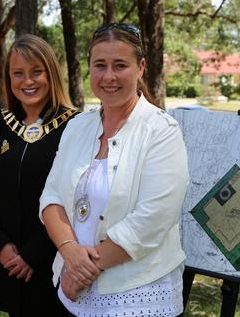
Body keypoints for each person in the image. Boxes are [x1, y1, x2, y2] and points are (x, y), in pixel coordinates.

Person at [39, 23, 190, 316]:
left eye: (120, 65)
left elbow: (154, 218)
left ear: (141, 67)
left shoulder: (161, 131)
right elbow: (51, 196)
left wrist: (83, 270)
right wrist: (69, 252)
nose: (109, 76)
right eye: (100, 65)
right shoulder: (77, 126)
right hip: (71, 291)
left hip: (136, 295)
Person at [0, 34, 76, 315]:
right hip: (4, 261)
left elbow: (73, 197)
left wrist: (31, 255)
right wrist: (0, 245)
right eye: (18, 73)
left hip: (51, 260)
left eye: (36, 72)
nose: (27, 81)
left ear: (51, 73)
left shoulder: (74, 125)